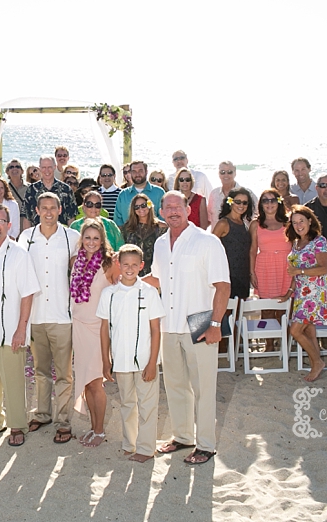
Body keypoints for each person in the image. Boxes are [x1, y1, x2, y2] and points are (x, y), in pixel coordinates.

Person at [149, 191, 230, 466]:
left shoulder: (207, 241)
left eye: (177, 206)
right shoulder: (160, 244)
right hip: (168, 324)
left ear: (188, 209)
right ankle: (183, 436)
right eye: (167, 207)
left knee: (204, 387)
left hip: (201, 322)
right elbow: (157, 280)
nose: (173, 211)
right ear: (161, 212)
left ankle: (206, 445)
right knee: (175, 385)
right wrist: (121, 278)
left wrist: (216, 324)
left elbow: (223, 285)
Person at [0, 204, 39, 447]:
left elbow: (28, 294)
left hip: (11, 328)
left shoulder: (19, 254)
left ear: (9, 226)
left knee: (13, 381)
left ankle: (17, 425)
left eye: (1, 221)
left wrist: (21, 328)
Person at [17, 194, 79, 445]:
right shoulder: (26, 237)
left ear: (60, 209)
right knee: (41, 370)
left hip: (63, 315)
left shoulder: (71, 237)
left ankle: (63, 421)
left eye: (53, 208)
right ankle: (42, 414)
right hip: (34, 315)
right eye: (44, 208)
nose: (49, 212)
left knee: (64, 373)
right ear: (37, 210)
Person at [98, 244, 163, 462]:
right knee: (127, 403)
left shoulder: (149, 292)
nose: (129, 268)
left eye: (135, 265)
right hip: (121, 360)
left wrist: (153, 362)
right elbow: (104, 329)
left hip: (145, 360)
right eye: (125, 264)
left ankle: (146, 449)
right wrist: (106, 361)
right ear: (118, 265)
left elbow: (155, 329)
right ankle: (130, 443)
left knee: (147, 405)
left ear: (142, 266)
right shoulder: (109, 294)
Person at [70, 219, 118, 448]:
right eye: (87, 238)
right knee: (87, 382)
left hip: (98, 328)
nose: (91, 242)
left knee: (96, 382)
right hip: (78, 326)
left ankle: (99, 431)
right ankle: (93, 426)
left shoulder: (110, 263)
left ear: (102, 240)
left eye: (95, 238)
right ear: (82, 239)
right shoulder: (75, 262)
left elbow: (120, 293)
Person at [282, 206, 327, 382]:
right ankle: (315, 364)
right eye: (294, 222)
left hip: (315, 292)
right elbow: (294, 272)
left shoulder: (319, 241)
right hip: (301, 292)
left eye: (301, 221)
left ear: (310, 221)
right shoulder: (295, 243)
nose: (298, 225)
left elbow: (323, 268)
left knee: (295, 330)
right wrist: (289, 292)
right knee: (309, 330)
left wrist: (299, 272)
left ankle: (317, 362)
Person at [212, 188, 254, 301]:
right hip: (228, 274)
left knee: (239, 312)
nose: (241, 205)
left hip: (243, 274)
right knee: (227, 312)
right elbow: (210, 247)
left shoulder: (244, 224)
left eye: (245, 203)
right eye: (238, 202)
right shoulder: (223, 223)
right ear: (230, 202)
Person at [250, 189, 291, 301]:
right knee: (266, 307)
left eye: (273, 200)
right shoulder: (255, 224)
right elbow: (253, 250)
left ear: (279, 202)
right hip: (264, 267)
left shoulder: (288, 222)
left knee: (286, 306)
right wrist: (252, 272)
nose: (269, 204)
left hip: (286, 267)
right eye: (265, 201)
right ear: (261, 204)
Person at [24, 155, 78, 228]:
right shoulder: (31, 189)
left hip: (60, 234)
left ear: (54, 167)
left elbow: (71, 217)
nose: (47, 171)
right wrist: (27, 237)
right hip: (37, 235)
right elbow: (27, 216)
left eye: (49, 167)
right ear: (39, 168)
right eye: (44, 167)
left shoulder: (66, 189)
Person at [121, 194, 165, 276]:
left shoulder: (162, 227)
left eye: (143, 205)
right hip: (132, 272)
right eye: (137, 207)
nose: (141, 209)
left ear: (149, 205)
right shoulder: (127, 228)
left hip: (155, 272)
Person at [113, 160, 164, 227]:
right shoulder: (123, 195)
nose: (137, 174)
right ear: (130, 173)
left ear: (146, 172)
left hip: (154, 235)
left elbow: (163, 216)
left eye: (140, 171)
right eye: (134, 171)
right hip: (128, 236)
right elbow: (118, 221)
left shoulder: (159, 192)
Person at [207, 161, 256, 228]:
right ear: (218, 174)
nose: (226, 175)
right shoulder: (214, 194)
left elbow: (258, 215)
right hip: (217, 237)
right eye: (222, 172)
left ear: (235, 173)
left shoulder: (248, 194)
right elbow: (209, 218)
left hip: (242, 236)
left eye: (229, 172)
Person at [5, 159, 30, 225]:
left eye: (17, 167)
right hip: (11, 222)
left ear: (22, 171)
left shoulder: (30, 187)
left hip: (26, 222)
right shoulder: (4, 189)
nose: (14, 169)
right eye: (11, 167)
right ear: (7, 172)